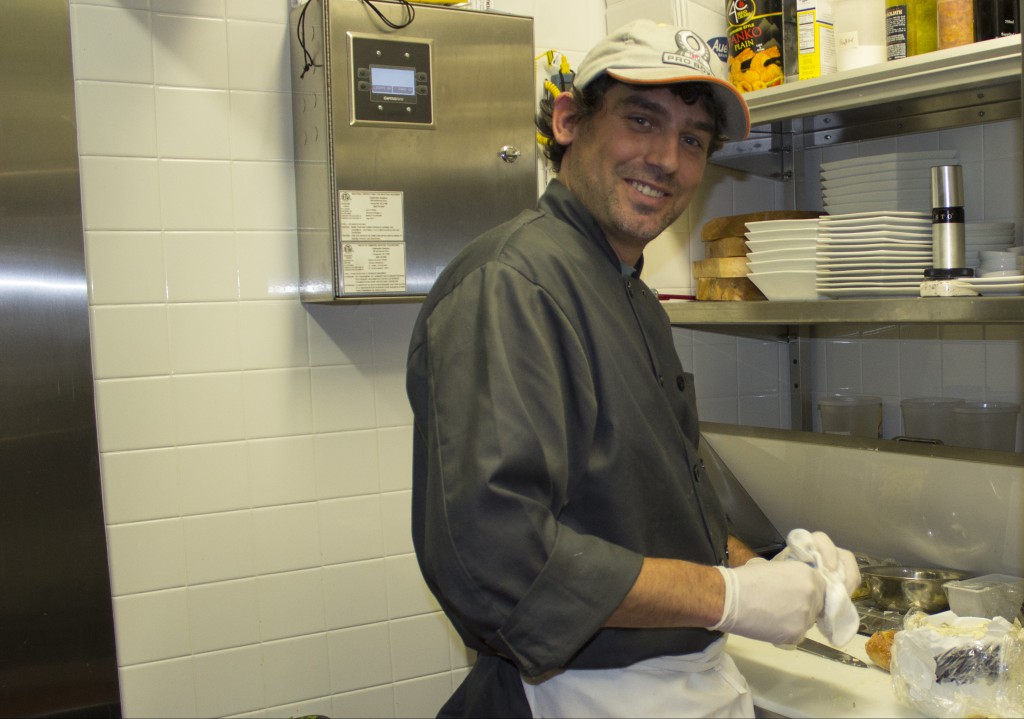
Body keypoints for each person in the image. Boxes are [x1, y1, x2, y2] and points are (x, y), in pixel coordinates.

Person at [406, 19, 861, 719]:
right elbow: (498, 561)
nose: (666, 159)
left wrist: (760, 567)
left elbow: (642, 515)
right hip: (570, 694)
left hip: (673, 685)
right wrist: (730, 596)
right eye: (641, 119)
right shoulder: (512, 283)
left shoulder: (633, 298)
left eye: (692, 140)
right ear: (568, 120)